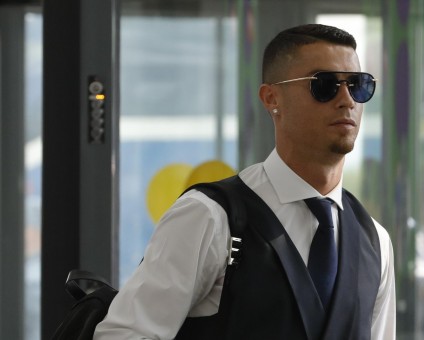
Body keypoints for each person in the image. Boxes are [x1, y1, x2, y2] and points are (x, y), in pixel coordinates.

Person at [94, 23, 396, 340]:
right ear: (271, 98)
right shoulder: (209, 217)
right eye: (324, 85)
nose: (347, 99)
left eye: (358, 85)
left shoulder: (375, 242)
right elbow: (122, 334)